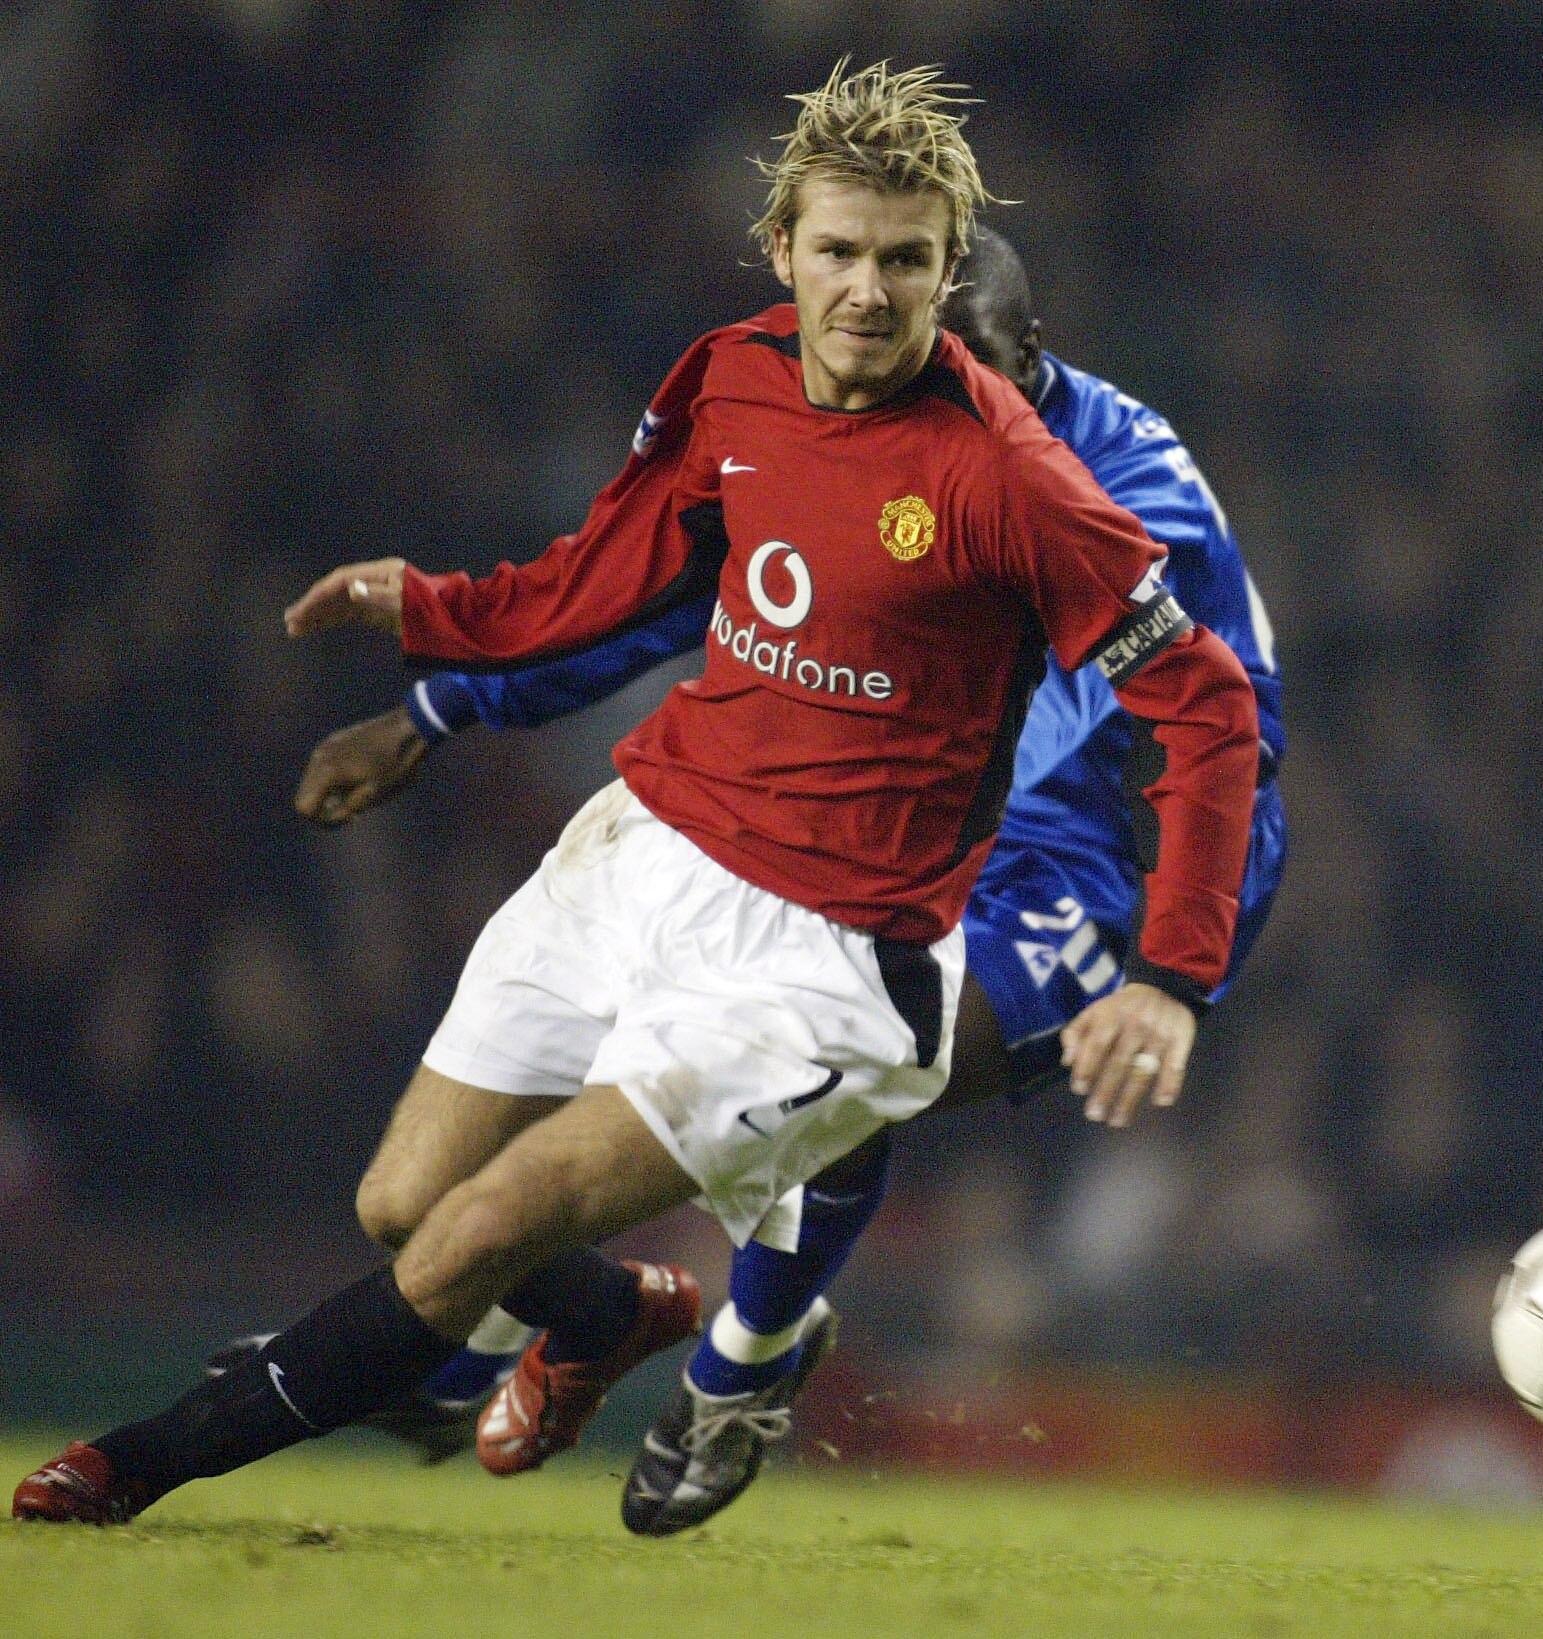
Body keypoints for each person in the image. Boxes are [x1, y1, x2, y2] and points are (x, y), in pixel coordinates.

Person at [14, 60, 1262, 1532]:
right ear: (784, 247)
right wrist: (435, 622)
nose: (869, 291)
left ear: (945, 266)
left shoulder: (1017, 479)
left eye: (907, 260)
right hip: (643, 848)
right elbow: (613, 576)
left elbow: (1211, 703)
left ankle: (134, 1462)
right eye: (842, 253)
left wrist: (1172, 971)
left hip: (818, 955)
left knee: (477, 1230)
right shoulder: (730, 373)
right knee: (406, 1205)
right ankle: (610, 1319)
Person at [265, 227, 1288, 1508]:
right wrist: (440, 708)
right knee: (667, 1034)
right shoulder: (852, 424)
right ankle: (474, 1339)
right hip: (887, 815)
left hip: (1076, 863)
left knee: (854, 1043)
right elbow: (687, 593)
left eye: (956, 367)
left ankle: (738, 1367)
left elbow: (1226, 732)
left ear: (1030, 364)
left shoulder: (1118, 492)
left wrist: (1173, 971)